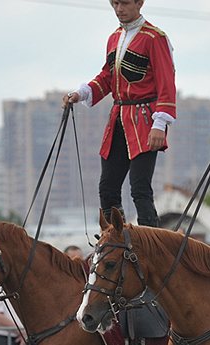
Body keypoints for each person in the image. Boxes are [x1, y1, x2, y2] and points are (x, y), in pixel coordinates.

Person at [63, 0, 177, 227]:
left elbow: (167, 81)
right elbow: (107, 77)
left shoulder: (155, 38)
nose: (119, 9)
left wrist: (160, 124)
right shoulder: (114, 38)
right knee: (107, 187)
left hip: (145, 122)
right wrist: (80, 93)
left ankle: (151, 243)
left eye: (124, 3)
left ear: (139, 3)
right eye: (114, 3)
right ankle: (114, 239)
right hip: (118, 118)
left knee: (140, 188)